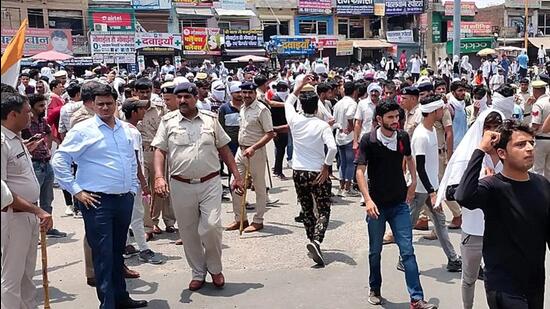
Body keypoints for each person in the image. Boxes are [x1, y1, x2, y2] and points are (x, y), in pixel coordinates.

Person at [52, 84, 147, 308]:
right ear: (92, 105)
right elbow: (60, 160)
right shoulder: (83, 130)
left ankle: (121, 298)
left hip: (123, 199)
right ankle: (108, 304)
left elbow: (131, 161)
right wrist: (76, 191)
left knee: (117, 252)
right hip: (97, 201)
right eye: (100, 104)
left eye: (109, 103)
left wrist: (133, 188)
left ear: (116, 104)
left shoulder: (127, 130)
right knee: (103, 255)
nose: (105, 107)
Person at [152, 82, 243, 291]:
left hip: (210, 182)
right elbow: (159, 150)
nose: (182, 101)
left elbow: (225, 149)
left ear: (195, 98)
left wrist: (236, 175)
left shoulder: (210, 120)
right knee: (188, 232)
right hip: (180, 184)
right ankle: (198, 272)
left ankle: (215, 269)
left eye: (187, 97)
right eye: (179, 97)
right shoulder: (167, 122)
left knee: (211, 227)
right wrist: (159, 177)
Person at [456, 120, 550, 309]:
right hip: (503, 285)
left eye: (531, 142)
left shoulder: (542, 184)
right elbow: (463, 196)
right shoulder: (492, 187)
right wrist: (480, 150)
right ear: (502, 153)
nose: (529, 148)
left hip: (535, 282)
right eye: (520, 144)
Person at [356, 101, 437, 309]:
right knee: (375, 251)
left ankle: (417, 299)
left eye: (396, 117)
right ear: (379, 120)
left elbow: (410, 159)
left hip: (400, 204)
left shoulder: (402, 137)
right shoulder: (369, 140)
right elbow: (360, 172)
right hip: (377, 207)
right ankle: (375, 288)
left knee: (407, 251)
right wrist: (368, 199)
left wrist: (413, 184)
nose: (395, 121)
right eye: (390, 117)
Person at [436, 109, 504, 309]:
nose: (492, 133)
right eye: (488, 128)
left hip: (500, 231)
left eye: (496, 127)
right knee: (469, 278)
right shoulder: (467, 157)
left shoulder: (506, 154)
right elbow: (452, 192)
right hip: (474, 231)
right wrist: (481, 180)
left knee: (496, 278)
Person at [1, 89, 53, 309]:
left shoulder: (15, 139)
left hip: (28, 215)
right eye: (26, 112)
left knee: (26, 274)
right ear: (12, 115)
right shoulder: (2, 142)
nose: (31, 116)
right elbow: (2, 191)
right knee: (11, 277)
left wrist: (26, 149)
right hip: (14, 217)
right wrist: (37, 211)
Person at [284, 76, 337, 266]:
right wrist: (326, 166)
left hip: (298, 171)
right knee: (323, 209)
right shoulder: (322, 125)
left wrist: (298, 86)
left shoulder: (294, 120)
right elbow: (332, 148)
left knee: (307, 208)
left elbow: (288, 101)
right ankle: (316, 240)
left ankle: (311, 240)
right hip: (317, 172)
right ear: (316, 108)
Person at [407, 94, 462, 272]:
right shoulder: (421, 135)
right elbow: (420, 167)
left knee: (440, 224)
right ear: (433, 111)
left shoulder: (431, 130)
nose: (443, 112)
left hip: (432, 188)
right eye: (440, 109)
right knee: (407, 227)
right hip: (421, 191)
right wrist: (431, 191)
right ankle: (404, 258)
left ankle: (453, 259)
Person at [226, 82, 275, 233]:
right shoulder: (242, 108)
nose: (246, 95)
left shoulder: (262, 110)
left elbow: (270, 133)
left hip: (256, 152)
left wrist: (254, 147)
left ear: (255, 93)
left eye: (250, 93)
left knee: (259, 187)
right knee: (234, 183)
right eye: (244, 92)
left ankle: (258, 220)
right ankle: (241, 219)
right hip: (241, 151)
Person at [121, 98, 164, 265]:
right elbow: (135, 160)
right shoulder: (132, 132)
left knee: (127, 215)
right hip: (132, 180)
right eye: (141, 109)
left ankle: (126, 246)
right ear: (134, 112)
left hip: (126, 180)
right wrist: (144, 183)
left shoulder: (122, 128)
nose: (144, 111)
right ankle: (143, 249)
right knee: (137, 216)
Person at [20, 93, 67, 238]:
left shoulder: (42, 121)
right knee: (32, 200)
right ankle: (33, 231)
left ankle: (47, 228)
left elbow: (48, 133)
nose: (43, 109)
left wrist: (50, 144)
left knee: (47, 199)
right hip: (34, 164)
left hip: (45, 162)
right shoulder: (24, 124)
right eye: (40, 106)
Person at [135, 78, 176, 239]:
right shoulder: (129, 108)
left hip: (158, 151)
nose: (145, 95)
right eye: (142, 92)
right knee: (143, 188)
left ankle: (160, 220)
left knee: (159, 187)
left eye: (147, 92)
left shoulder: (160, 109)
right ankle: (148, 225)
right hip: (139, 152)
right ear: (135, 93)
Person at [333, 81, 360, 197]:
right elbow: (350, 116)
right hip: (348, 136)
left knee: (342, 162)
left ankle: (341, 186)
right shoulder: (352, 103)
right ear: (355, 92)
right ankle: (347, 188)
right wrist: (351, 126)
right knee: (350, 163)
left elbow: (334, 119)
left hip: (339, 136)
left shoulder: (338, 103)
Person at [530, 79, 550, 180]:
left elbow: (535, 125)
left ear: (535, 91)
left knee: (538, 169)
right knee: (548, 170)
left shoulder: (538, 104)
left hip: (541, 140)